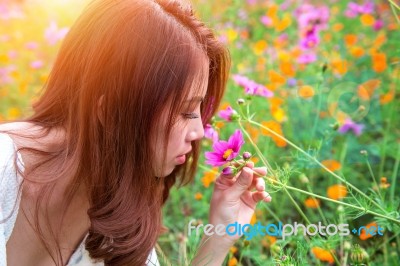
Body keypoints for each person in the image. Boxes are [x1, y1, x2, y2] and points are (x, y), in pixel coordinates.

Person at [0, 0, 272, 265]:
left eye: (200, 110)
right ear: (110, 112)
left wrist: (220, 237)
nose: (199, 131)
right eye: (185, 111)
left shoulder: (120, 215)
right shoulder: (4, 168)